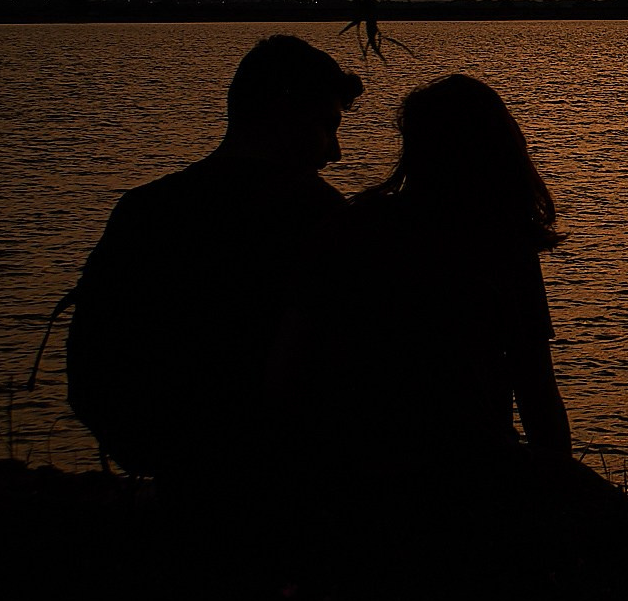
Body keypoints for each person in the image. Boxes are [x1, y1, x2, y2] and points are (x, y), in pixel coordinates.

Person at [66, 35, 364, 489]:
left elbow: (90, 366)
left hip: (174, 476)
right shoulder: (318, 218)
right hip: (286, 488)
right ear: (283, 114)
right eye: (327, 126)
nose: (335, 152)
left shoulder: (144, 210)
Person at [318, 75, 576, 477]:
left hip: (362, 460)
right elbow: (535, 386)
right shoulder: (501, 241)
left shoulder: (359, 224)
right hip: (470, 464)